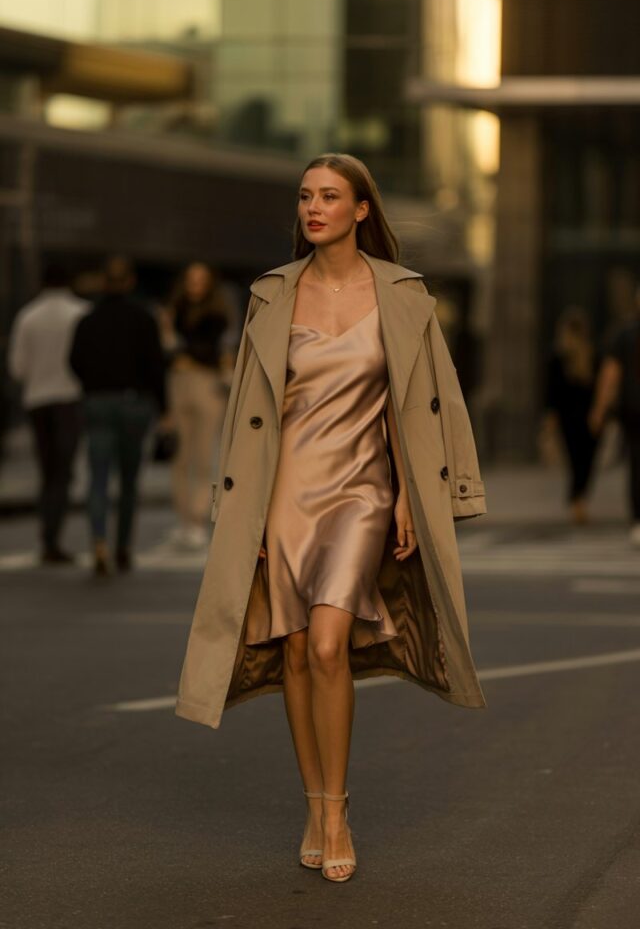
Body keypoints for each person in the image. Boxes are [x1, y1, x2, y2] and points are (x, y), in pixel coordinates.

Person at [175, 153, 487, 883]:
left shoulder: (404, 296)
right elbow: (245, 413)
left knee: (326, 646)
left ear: (361, 210)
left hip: (363, 490)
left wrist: (418, 491)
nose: (313, 208)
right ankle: (313, 805)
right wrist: (238, 510)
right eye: (305, 196)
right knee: (290, 651)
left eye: (329, 196)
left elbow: (434, 400)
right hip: (283, 490)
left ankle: (338, 809)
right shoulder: (271, 295)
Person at [69, 257, 166, 575]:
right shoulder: (144, 318)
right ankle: (123, 546)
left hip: (97, 401)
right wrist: (162, 407)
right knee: (128, 479)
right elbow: (155, 365)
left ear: (104, 283)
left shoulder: (88, 319)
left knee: (97, 477)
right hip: (133, 403)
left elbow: (74, 361)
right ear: (130, 282)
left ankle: (98, 541)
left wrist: (92, 387)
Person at [7, 263, 89, 563]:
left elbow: (17, 367)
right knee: (63, 471)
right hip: (69, 397)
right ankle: (53, 537)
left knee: (47, 468)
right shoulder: (80, 312)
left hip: (38, 399)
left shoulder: (27, 316)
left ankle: (47, 536)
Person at [159, 263, 231, 549]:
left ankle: (198, 519)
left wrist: (183, 352)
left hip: (207, 385)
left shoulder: (217, 314)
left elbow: (213, 352)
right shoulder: (175, 311)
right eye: (190, 279)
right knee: (180, 456)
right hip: (178, 383)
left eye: (201, 279)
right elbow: (165, 351)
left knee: (203, 456)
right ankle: (184, 519)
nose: (195, 284)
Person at [589, 287, 640, 546]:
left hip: (633, 409)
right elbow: (611, 374)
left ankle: (638, 521)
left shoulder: (624, 335)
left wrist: (599, 409)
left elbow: (610, 375)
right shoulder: (624, 335)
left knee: (636, 464)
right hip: (633, 410)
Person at [543, 307, 599, 524]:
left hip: (578, 416)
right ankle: (578, 498)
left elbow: (551, 391)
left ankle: (577, 498)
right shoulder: (560, 356)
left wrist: (551, 414)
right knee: (583, 460)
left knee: (581, 460)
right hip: (581, 416)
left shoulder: (589, 354)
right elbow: (552, 390)